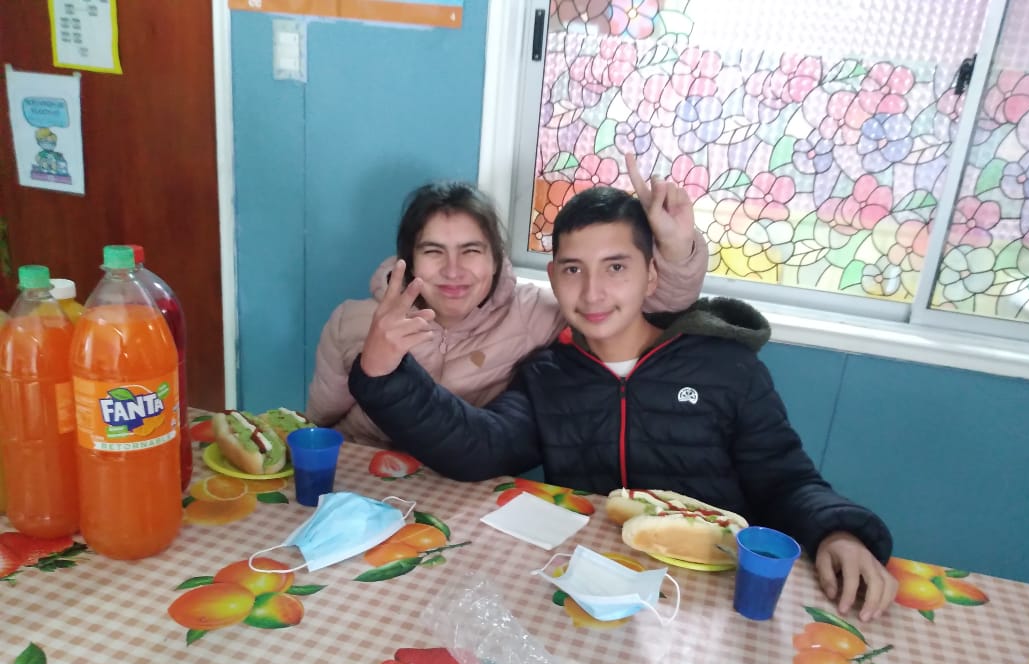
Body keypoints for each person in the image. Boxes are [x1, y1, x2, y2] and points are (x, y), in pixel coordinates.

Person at [347, 185, 898, 622]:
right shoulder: (549, 375)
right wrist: (384, 370)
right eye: (573, 270)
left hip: (711, 606)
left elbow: (786, 478)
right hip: (593, 595)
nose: (592, 293)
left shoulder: (724, 367)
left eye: (615, 267)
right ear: (554, 278)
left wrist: (838, 532)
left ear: (651, 274)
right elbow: (479, 448)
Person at [306, 154, 708, 445]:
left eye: (471, 250)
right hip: (360, 475)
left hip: (455, 486)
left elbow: (648, 309)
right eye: (433, 251)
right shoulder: (353, 321)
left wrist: (675, 248)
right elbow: (319, 423)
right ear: (408, 260)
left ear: (496, 258)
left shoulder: (534, 314)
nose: (453, 270)